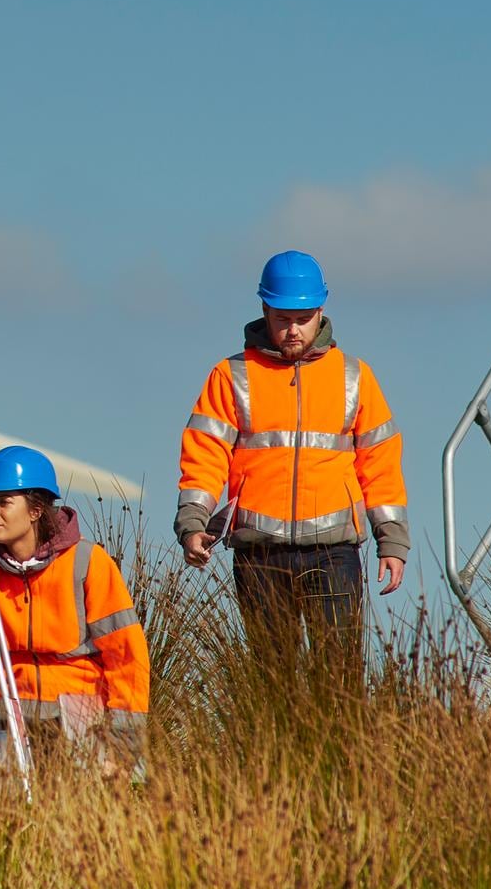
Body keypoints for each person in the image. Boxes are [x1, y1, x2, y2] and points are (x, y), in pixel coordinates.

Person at [175, 250, 409, 669]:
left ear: (320, 310)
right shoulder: (231, 376)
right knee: (272, 681)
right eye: (282, 318)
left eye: (303, 318)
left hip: (334, 551)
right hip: (259, 554)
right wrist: (193, 523)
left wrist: (390, 539)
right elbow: (205, 456)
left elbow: (380, 462)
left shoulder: (354, 376)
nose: (293, 329)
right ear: (265, 309)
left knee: (339, 678)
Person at [0, 445, 150, 776]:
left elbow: (127, 657)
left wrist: (124, 745)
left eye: (4, 502)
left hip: (76, 719)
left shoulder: (87, 562)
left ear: (35, 510)